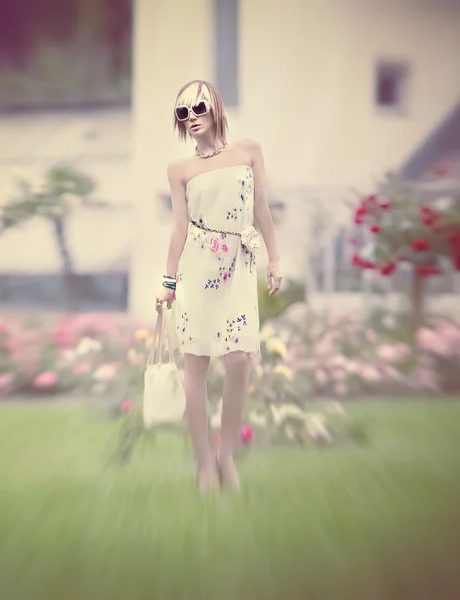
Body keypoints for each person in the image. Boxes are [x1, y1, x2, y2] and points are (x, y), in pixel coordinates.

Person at [155, 79, 282, 492]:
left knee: (240, 358)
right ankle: (204, 463)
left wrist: (274, 258)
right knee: (197, 364)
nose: (191, 118)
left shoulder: (248, 151)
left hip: (239, 264)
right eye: (182, 113)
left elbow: (261, 207)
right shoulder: (180, 170)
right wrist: (168, 282)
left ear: (216, 108)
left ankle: (227, 455)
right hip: (196, 267)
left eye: (198, 108)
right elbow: (178, 227)